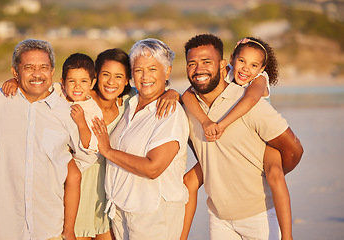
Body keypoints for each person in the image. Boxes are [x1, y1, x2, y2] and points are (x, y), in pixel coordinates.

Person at [0, 39, 98, 240]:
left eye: (43, 67)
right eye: (28, 67)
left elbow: (84, 157)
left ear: (52, 71)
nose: (37, 73)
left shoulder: (66, 113)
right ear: (15, 72)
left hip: (48, 228)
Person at [179, 34, 303, 240]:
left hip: (260, 215)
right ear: (232, 62)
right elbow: (187, 94)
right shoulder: (193, 102)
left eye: (206, 62)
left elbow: (294, 150)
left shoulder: (257, 85)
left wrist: (260, 174)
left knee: (274, 173)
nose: (246, 68)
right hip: (219, 217)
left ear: (220, 64)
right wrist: (204, 120)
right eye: (192, 63)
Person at [91, 38, 189, 240]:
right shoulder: (130, 104)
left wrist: (108, 151)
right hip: (122, 212)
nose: (145, 76)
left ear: (167, 72)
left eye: (153, 69)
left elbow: (153, 168)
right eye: (138, 70)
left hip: (152, 216)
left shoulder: (170, 112)